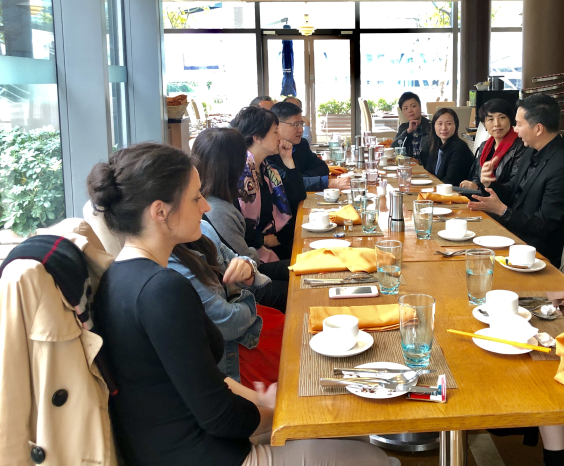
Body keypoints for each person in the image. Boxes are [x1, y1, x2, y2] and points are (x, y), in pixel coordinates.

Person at [89, 142, 390, 466]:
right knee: (373, 458)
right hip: (205, 453)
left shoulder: (118, 277)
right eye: (195, 197)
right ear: (159, 212)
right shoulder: (162, 290)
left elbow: (205, 386)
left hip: (180, 445)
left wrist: (269, 402)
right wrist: (286, 411)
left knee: (346, 432)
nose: (206, 206)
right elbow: (220, 417)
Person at [469, 93, 564, 267]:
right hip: (514, 234)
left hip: (534, 252)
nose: (515, 130)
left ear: (538, 129)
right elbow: (513, 190)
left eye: (519, 124)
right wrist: (491, 183)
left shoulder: (563, 167)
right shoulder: (531, 150)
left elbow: (544, 226)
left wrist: (503, 211)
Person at [191, 127, 290, 311]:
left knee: (302, 269)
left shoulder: (218, 198)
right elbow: (247, 263)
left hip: (248, 275)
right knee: (299, 289)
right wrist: (253, 252)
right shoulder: (217, 208)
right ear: (233, 165)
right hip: (241, 291)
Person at [168, 220, 268, 380]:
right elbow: (230, 324)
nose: (206, 208)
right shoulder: (172, 268)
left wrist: (248, 269)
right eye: (194, 203)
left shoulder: (202, 228)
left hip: (248, 322)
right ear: (161, 211)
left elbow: (241, 262)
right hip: (232, 354)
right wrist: (245, 297)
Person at [233, 105, 307, 260]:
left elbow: (298, 198)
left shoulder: (266, 169)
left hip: (279, 241)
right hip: (253, 253)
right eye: (275, 132)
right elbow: (234, 223)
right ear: (257, 137)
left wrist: (288, 159)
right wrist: (262, 239)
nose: (280, 137)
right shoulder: (240, 174)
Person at [269, 101, 350, 193]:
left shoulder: (301, 144)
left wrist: (298, 177)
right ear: (277, 125)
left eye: (301, 124)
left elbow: (323, 168)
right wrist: (326, 182)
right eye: (295, 124)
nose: (301, 130)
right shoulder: (268, 151)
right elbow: (282, 182)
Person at [459, 98, 526, 191]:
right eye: (490, 119)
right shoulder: (484, 146)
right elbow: (477, 176)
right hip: (483, 196)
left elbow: (515, 186)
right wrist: (472, 185)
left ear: (510, 120)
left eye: (502, 118)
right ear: (484, 124)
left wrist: (479, 189)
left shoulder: (521, 146)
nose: (497, 124)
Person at [419, 107, 474, 186]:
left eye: (449, 123)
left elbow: (450, 181)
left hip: (454, 191)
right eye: (440, 124)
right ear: (434, 126)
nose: (444, 128)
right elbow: (429, 173)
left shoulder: (459, 147)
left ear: (456, 125)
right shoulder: (436, 145)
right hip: (438, 189)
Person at [393, 91, 431, 160]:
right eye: (405, 108)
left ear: (420, 107)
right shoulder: (403, 128)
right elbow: (394, 148)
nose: (410, 110)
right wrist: (408, 131)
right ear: (402, 112)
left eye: (413, 106)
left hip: (425, 166)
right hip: (407, 165)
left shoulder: (431, 127)